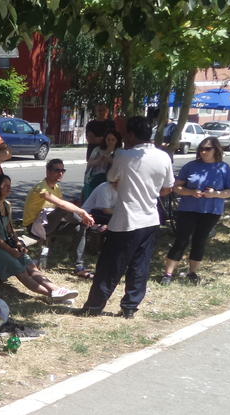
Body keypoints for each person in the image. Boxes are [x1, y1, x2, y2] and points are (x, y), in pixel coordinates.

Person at [79, 116, 175, 318]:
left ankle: (94, 306)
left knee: (109, 266)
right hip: (151, 218)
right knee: (140, 265)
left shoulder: (124, 155)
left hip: (126, 220)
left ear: (131, 135)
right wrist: (150, 191)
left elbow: (111, 178)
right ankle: (130, 306)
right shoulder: (163, 156)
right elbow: (167, 188)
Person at [0, 175, 80, 302]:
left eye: (10, 185)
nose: (9, 188)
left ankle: (56, 290)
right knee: (20, 270)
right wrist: (10, 250)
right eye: (5, 186)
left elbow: (10, 230)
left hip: (6, 243)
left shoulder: (6, 205)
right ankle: (52, 295)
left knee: (31, 266)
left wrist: (18, 243)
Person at [160, 137, 230, 286]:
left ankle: (192, 273)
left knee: (199, 241)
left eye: (207, 149)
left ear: (216, 150)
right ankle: (168, 274)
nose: (203, 151)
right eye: (201, 148)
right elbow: (176, 187)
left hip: (211, 211)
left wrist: (215, 194)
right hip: (188, 209)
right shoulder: (191, 166)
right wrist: (191, 192)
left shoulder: (224, 168)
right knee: (181, 240)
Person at [22, 159, 95, 242]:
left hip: (48, 223)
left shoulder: (56, 188)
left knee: (80, 228)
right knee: (64, 209)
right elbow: (62, 205)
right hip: (34, 228)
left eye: (63, 171)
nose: (60, 173)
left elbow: (63, 207)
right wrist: (83, 213)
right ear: (48, 171)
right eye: (57, 170)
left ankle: (84, 225)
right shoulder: (41, 188)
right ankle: (84, 222)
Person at [73, 181, 116, 278]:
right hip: (91, 214)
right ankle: (79, 264)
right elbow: (106, 210)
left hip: (108, 217)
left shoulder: (125, 188)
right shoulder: (105, 187)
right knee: (80, 228)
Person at [83, 130, 122, 201]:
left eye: (113, 140)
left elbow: (120, 166)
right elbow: (90, 163)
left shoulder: (120, 152)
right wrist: (100, 159)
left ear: (117, 141)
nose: (110, 142)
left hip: (111, 181)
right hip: (96, 179)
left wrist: (110, 160)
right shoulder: (98, 150)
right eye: (108, 139)